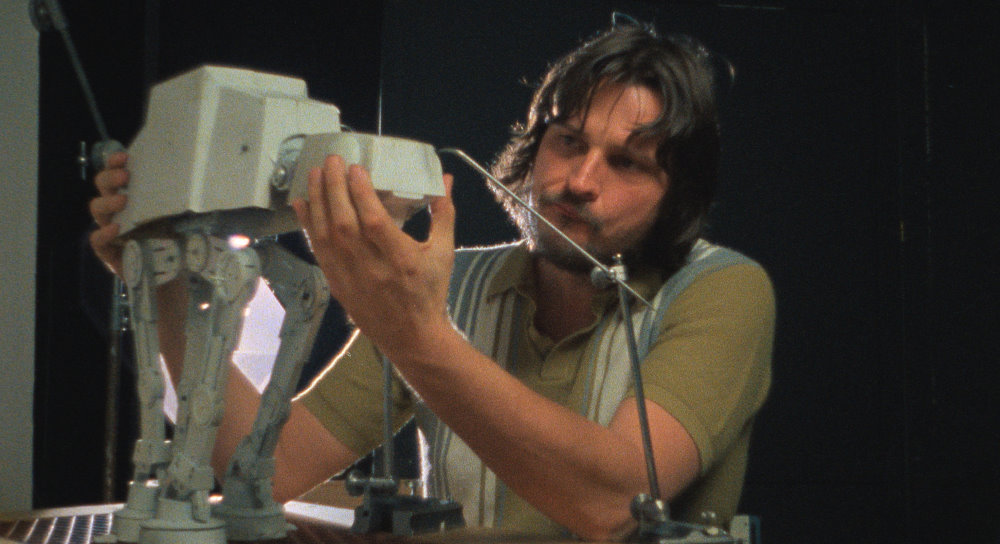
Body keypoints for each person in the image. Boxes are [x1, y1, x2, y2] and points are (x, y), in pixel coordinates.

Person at [90, 22, 774, 541]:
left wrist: (414, 331)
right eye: (567, 141)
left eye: (626, 163)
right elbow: (269, 461)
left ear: (676, 195)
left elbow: (612, 505)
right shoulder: (457, 286)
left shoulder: (723, 291)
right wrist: (165, 288)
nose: (579, 180)